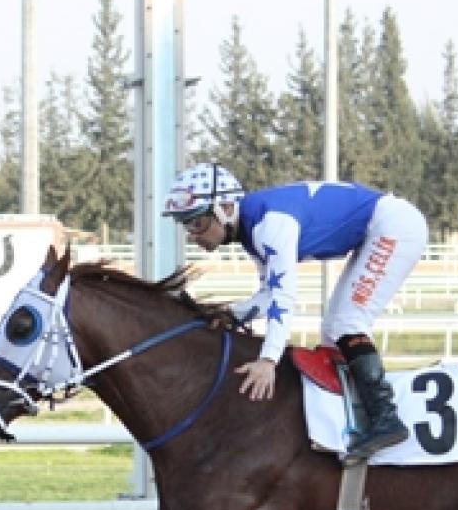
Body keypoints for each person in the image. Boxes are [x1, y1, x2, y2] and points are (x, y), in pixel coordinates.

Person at [161, 162, 427, 459]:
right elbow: (267, 295)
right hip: (381, 227)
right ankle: (355, 419)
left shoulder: (269, 225)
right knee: (333, 330)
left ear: (224, 207)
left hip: (395, 228)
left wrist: (268, 359)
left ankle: (386, 417)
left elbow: (284, 300)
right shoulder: (252, 228)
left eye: (196, 223)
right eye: (186, 225)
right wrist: (226, 316)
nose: (193, 235)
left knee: (346, 323)